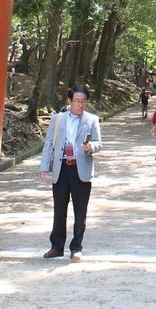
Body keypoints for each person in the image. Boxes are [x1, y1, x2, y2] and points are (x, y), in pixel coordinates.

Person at [39, 85, 103, 262]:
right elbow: (49, 143)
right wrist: (44, 166)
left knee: (80, 211)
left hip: (81, 168)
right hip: (62, 168)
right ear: (69, 101)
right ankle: (56, 246)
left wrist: (91, 147)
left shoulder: (92, 120)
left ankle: (76, 247)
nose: (80, 104)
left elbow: (99, 143)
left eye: (83, 101)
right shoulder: (57, 119)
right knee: (59, 209)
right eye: (77, 101)